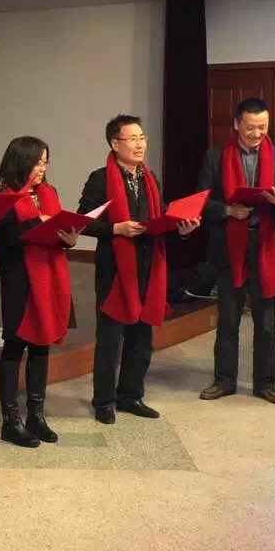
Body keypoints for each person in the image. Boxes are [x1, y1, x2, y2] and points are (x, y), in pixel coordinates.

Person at [78, 115, 198, 424]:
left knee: (142, 337)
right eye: (132, 139)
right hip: (116, 268)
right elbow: (83, 222)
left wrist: (182, 228)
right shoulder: (100, 178)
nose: (140, 144)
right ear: (114, 144)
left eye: (142, 137)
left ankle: (131, 395)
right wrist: (115, 228)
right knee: (111, 338)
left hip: (149, 266)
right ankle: (104, 401)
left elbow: (160, 217)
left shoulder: (149, 177)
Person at [198, 98, 275, 405]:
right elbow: (201, 200)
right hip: (230, 247)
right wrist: (227, 210)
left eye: (262, 127)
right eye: (250, 127)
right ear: (236, 125)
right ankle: (224, 381)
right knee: (228, 320)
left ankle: (266, 384)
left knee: (266, 322)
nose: (257, 133)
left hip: (266, 247)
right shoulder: (216, 156)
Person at [0, 137, 76, 447]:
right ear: (21, 162)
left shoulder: (47, 193)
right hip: (20, 280)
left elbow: (59, 234)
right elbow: (5, 243)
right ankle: (10, 420)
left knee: (41, 346)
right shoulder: (2, 197)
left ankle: (36, 416)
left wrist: (68, 238)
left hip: (49, 278)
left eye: (45, 162)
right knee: (14, 347)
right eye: (37, 162)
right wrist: (35, 225)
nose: (42, 168)